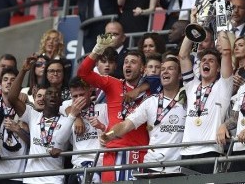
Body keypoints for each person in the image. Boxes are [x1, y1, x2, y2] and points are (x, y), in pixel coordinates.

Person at [77, 36, 150, 182]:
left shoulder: (151, 90)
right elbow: (83, 73)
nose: (127, 65)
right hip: (112, 150)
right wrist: (96, 51)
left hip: (139, 151)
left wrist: (144, 86)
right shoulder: (113, 83)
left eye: (133, 62)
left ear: (142, 68)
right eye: (126, 62)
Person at [8, 55, 85, 184]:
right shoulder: (33, 115)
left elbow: (66, 141)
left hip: (54, 179)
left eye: (56, 94)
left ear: (61, 101)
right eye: (49, 93)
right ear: (43, 99)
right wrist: (23, 71)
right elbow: (12, 97)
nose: (53, 96)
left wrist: (74, 117)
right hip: (30, 178)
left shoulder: (67, 120)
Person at [101, 57, 187, 173]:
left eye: (170, 69)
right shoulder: (150, 102)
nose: (165, 71)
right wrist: (109, 135)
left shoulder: (190, 100)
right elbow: (126, 125)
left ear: (180, 75)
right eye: (163, 69)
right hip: (152, 165)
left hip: (180, 167)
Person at [178, 9, 233, 174]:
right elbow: (182, 56)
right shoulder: (191, 85)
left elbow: (226, 52)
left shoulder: (223, 86)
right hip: (186, 151)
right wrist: (195, 26)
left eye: (211, 61)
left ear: (217, 68)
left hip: (210, 151)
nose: (205, 62)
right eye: (203, 60)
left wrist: (221, 24)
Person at [61, 76, 108, 184]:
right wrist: (76, 117)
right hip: (77, 166)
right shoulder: (67, 108)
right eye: (75, 96)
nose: (78, 99)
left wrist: (101, 126)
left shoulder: (103, 108)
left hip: (100, 164)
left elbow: (113, 133)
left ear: (89, 90)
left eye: (82, 95)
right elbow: (65, 106)